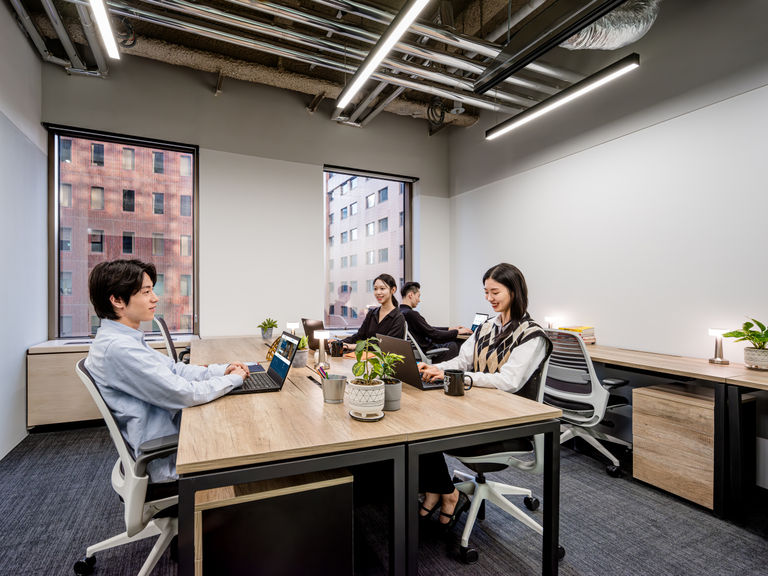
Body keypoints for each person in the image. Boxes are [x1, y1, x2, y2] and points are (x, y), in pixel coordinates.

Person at [84, 259, 248, 485]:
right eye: (146, 292)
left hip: (172, 433)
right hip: (170, 456)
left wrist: (222, 371)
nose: (155, 298)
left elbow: (174, 369)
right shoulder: (119, 349)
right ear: (117, 300)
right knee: (246, 439)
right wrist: (233, 380)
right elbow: (183, 393)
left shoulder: (123, 339)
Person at [416, 263, 552, 529]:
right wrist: (436, 369)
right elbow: (462, 361)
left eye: (495, 292)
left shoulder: (532, 336)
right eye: (486, 292)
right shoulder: (487, 327)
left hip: (506, 425)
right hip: (478, 412)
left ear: (514, 291)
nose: (489, 298)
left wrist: (463, 378)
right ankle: (438, 490)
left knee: (425, 433)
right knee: (418, 424)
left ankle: (445, 492)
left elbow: (508, 382)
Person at [399, 281, 472, 362]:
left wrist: (450, 329)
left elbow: (428, 328)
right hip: (429, 352)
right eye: (418, 296)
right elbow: (435, 334)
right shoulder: (411, 314)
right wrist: (457, 332)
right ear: (411, 295)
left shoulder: (400, 312)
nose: (419, 300)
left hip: (421, 350)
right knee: (457, 343)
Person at [340, 273, 406, 349]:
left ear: (393, 290)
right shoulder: (372, 313)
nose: (378, 292)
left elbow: (386, 345)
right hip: (366, 355)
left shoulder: (398, 318)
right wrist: (339, 342)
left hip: (383, 356)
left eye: (382, 288)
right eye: (375, 289)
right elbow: (359, 336)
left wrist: (353, 346)